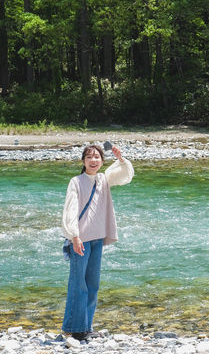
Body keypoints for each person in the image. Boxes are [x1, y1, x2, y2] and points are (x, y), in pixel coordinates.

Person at [61, 144, 134, 341]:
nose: (93, 161)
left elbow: (124, 176)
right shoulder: (76, 182)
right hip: (80, 240)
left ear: (102, 161)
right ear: (83, 161)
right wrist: (74, 236)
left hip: (97, 238)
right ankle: (75, 328)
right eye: (89, 157)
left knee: (92, 284)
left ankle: (86, 326)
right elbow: (71, 210)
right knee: (79, 285)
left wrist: (120, 159)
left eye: (97, 157)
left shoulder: (104, 179)